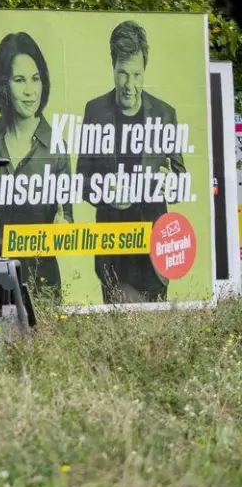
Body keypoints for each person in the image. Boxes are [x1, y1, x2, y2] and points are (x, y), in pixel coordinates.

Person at [76, 19, 184, 304]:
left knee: (157, 337)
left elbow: (179, 176)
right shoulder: (95, 111)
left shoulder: (164, 113)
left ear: (144, 70)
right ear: (113, 68)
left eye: (137, 75)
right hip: (115, 246)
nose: (129, 85)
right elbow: (82, 180)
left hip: (154, 247)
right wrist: (104, 192)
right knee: (118, 332)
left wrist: (169, 181)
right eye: (123, 74)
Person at [0, 32, 73, 295]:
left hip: (44, 276)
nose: (30, 91)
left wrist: (62, 228)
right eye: (20, 80)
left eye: (35, 79)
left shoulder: (57, 145)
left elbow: (68, 219)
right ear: (4, 85)